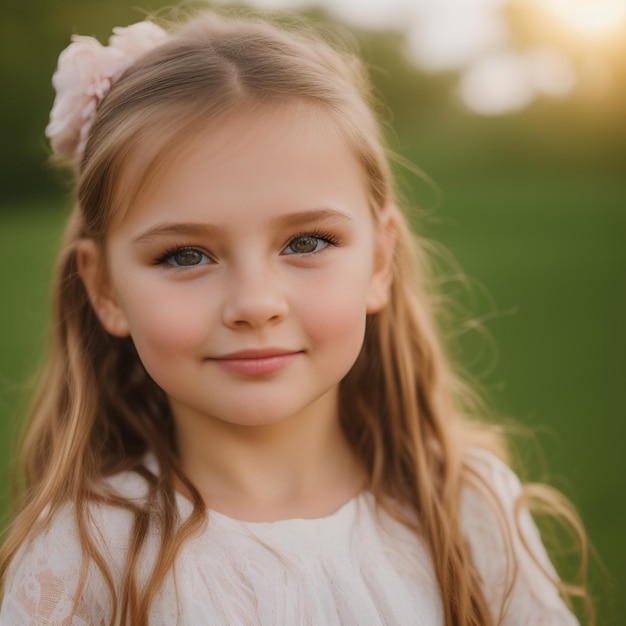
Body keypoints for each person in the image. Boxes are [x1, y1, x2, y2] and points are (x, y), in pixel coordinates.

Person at [0, 9, 592, 626]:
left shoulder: (469, 510)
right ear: (106, 289)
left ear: (379, 262)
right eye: (185, 254)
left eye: (306, 243)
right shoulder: (83, 562)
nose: (256, 303)